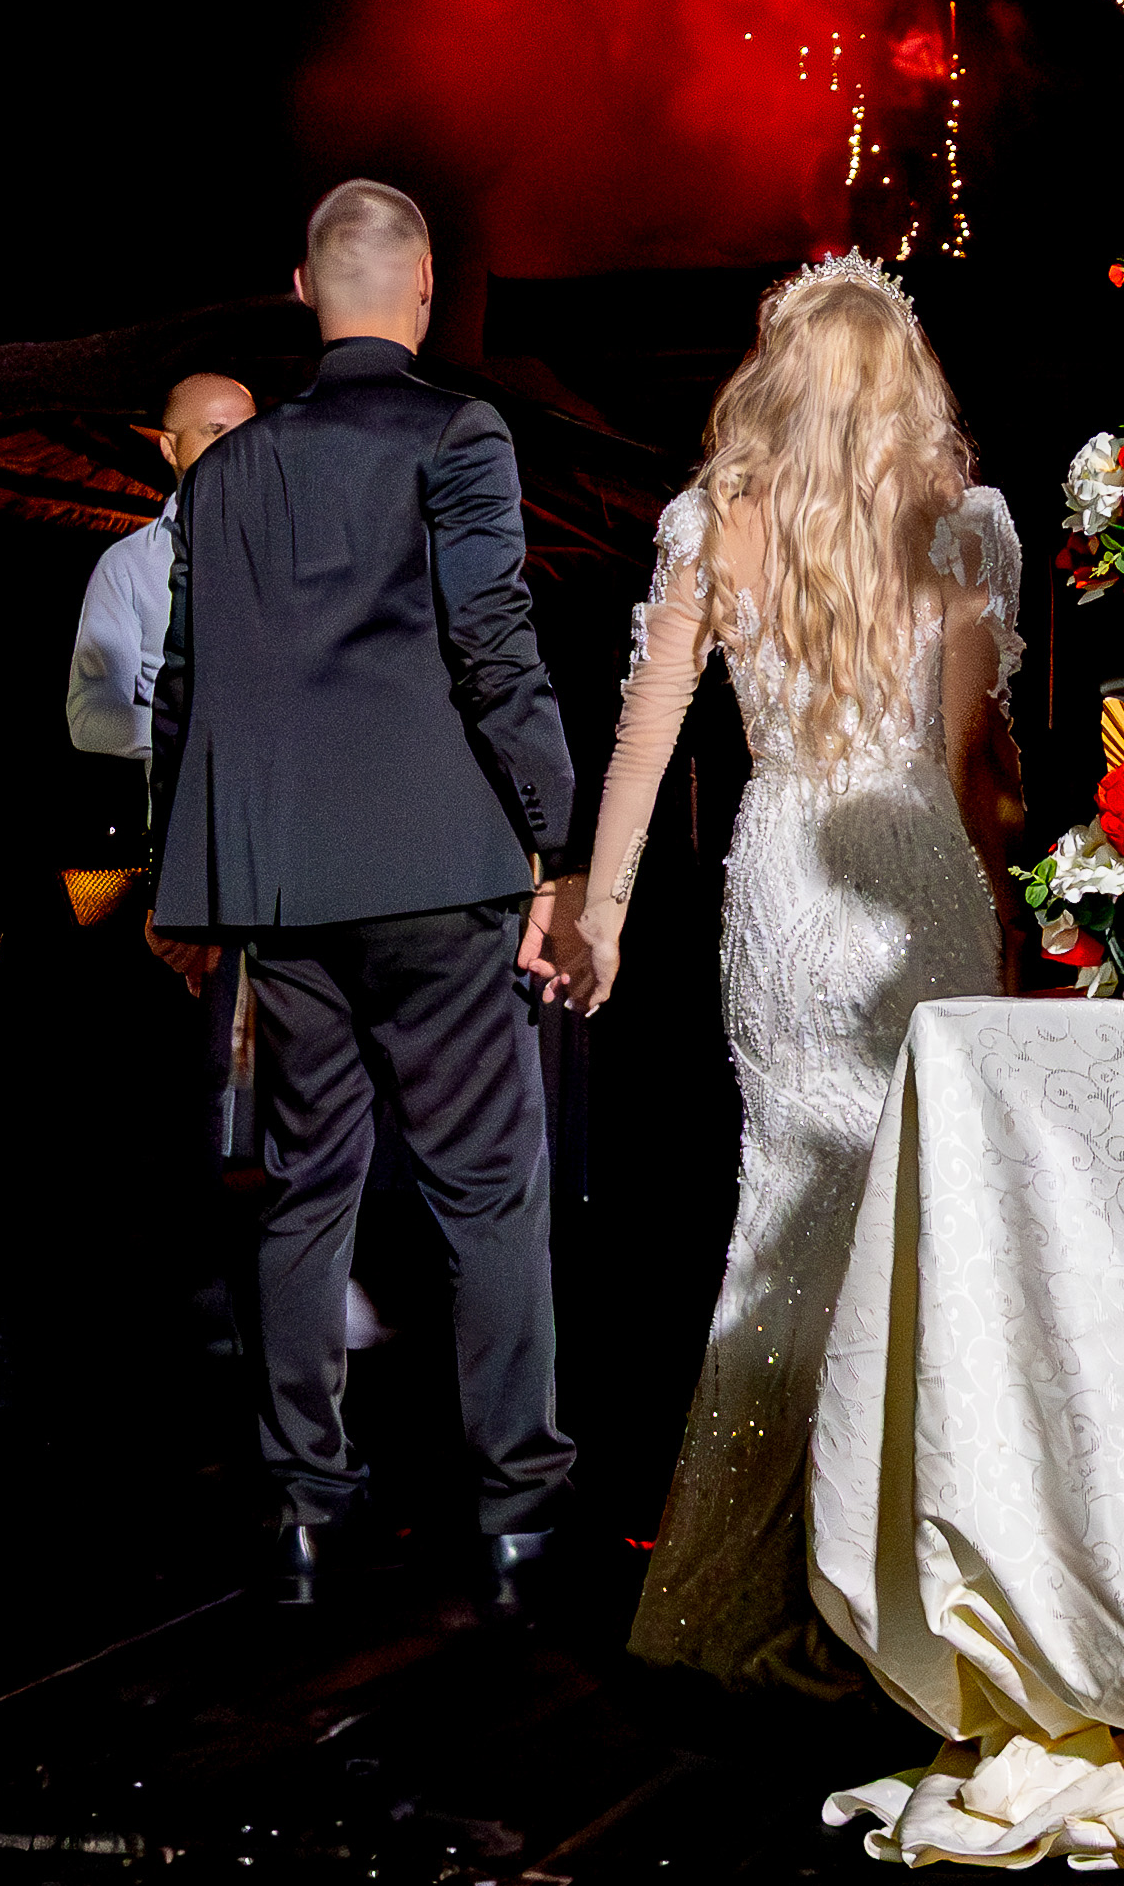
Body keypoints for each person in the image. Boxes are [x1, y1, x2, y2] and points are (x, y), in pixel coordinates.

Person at [553, 254, 1027, 1691]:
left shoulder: (714, 521)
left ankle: (758, 1579)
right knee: (920, 1221)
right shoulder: (960, 528)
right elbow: (973, 767)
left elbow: (644, 733)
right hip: (913, 884)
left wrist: (603, 913)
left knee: (784, 1217)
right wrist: (1006, 931)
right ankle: (911, 1576)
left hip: (779, 881)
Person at [146, 181, 581, 1609]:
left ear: (303, 287)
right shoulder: (461, 432)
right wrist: (560, 832)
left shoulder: (221, 474)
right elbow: (494, 639)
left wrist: (181, 882)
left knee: (302, 1187)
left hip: (280, 883)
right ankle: (515, 1512)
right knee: (487, 1190)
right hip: (442, 868)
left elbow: (184, 689)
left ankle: (302, 1506)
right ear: (425, 287)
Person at [65, 369, 261, 762]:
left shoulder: (305, 543)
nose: (237, 446)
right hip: (192, 794)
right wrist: (193, 733)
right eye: (216, 431)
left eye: (249, 432)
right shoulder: (128, 564)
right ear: (169, 448)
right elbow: (91, 714)